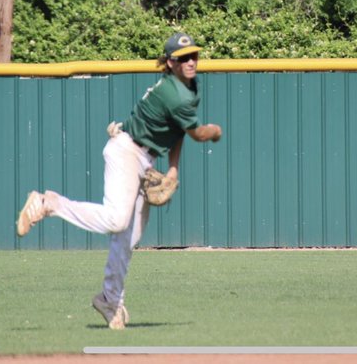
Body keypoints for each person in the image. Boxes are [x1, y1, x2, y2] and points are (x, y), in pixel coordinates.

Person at [15, 32, 223, 330]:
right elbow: (196, 133)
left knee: (129, 237)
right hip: (127, 151)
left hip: (144, 158)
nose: (191, 61)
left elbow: (177, 131)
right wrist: (214, 131)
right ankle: (49, 203)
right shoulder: (174, 93)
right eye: (183, 58)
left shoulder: (189, 88)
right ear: (169, 63)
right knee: (116, 220)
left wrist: (173, 170)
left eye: (194, 56)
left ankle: (110, 300)